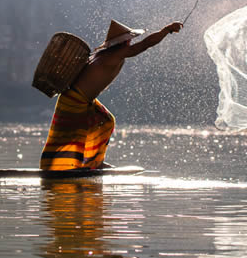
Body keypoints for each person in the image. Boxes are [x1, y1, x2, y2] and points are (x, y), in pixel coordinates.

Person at [39, 19, 183, 170]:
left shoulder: (108, 54)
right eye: (129, 40)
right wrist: (166, 30)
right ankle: (59, 167)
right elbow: (145, 44)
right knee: (69, 135)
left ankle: (93, 162)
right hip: (74, 99)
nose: (130, 43)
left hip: (85, 101)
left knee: (105, 121)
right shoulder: (114, 54)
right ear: (123, 42)